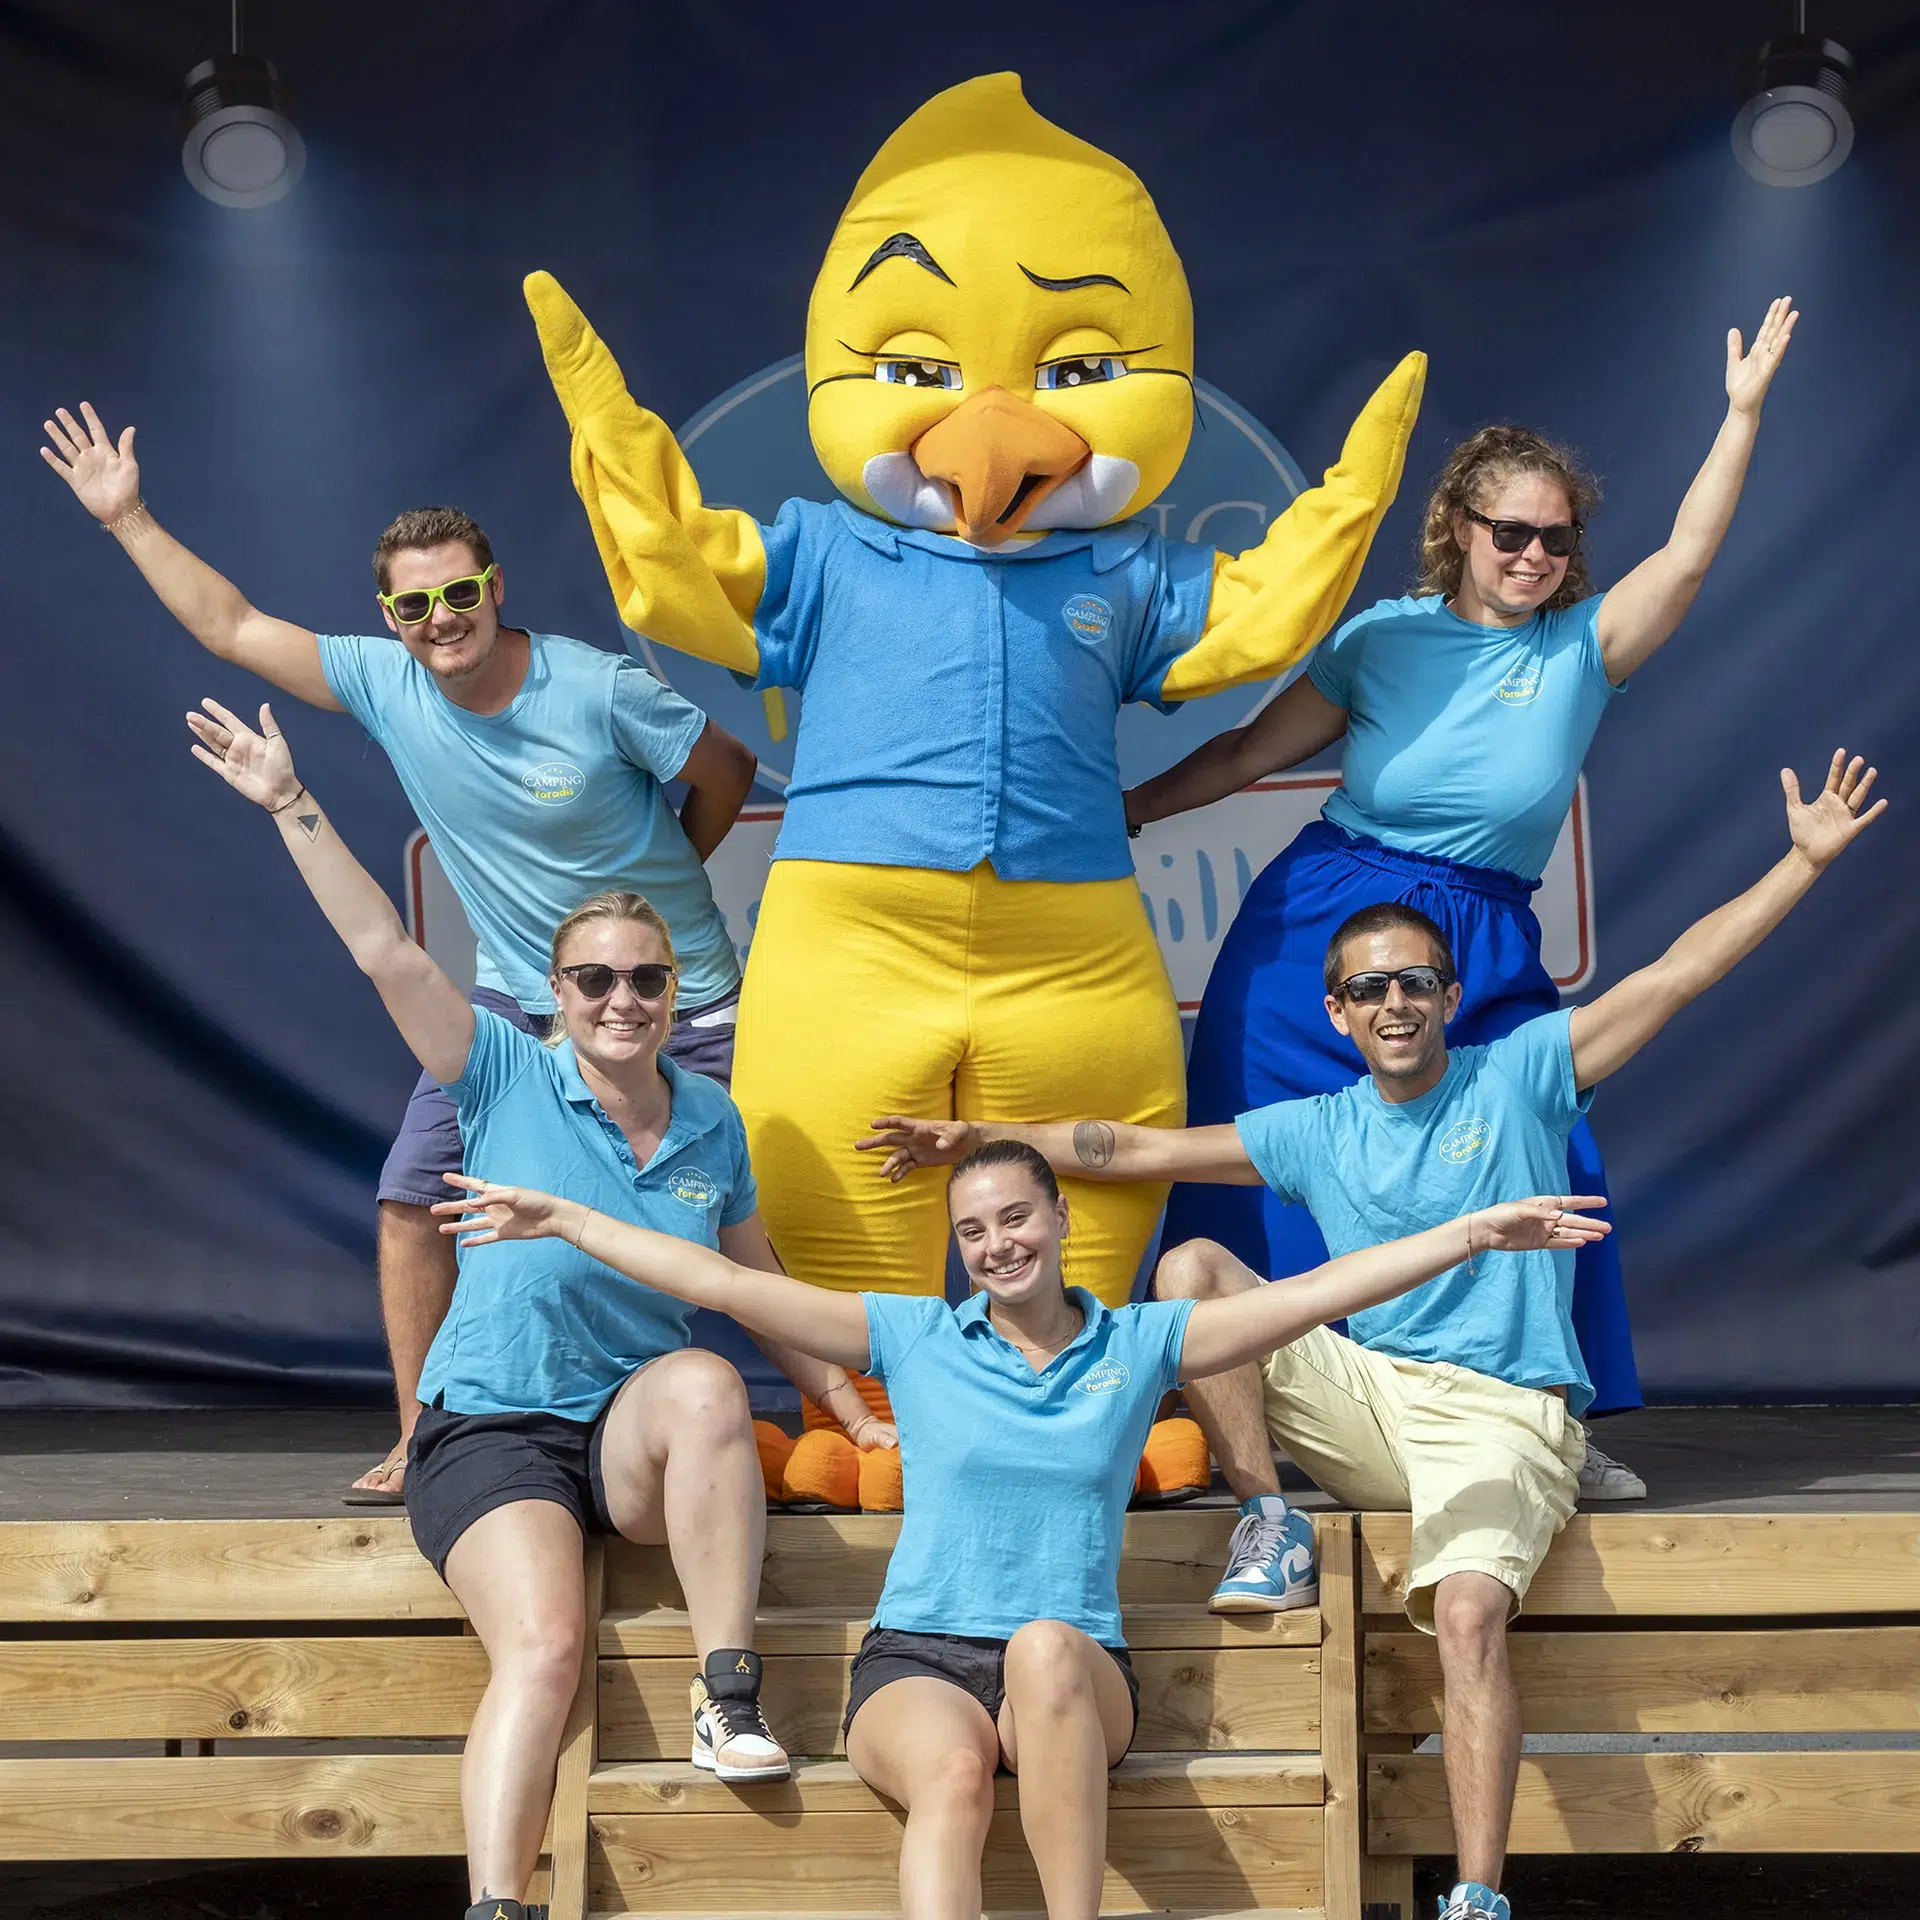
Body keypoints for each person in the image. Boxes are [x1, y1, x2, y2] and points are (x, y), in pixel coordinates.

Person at [864, 750, 1883, 1920]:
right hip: (1370, 1403)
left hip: (1501, 1414)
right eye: (1368, 989)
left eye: (1414, 982)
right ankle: (1268, 1520)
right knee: (1192, 1270)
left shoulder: (1521, 1075)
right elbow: (1126, 1150)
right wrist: (976, 1141)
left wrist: (1802, 863)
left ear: (1449, 996)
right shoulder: (1320, 1125)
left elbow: (1674, 976)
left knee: (1466, 1613)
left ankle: (1478, 1897)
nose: (1394, 1003)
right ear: (1339, 1015)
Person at [433, 1139, 1601, 1920]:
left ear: (1058, 1216)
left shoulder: (1139, 1342)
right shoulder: (916, 1338)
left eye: (1015, 1217)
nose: (997, 1244)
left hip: (1074, 1674)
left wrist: (1471, 1234)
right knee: (951, 1775)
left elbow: (1316, 1295)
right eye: (974, 1230)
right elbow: (726, 1286)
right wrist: (568, 1219)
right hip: (916, 1662)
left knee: (1043, 1644)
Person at [182, 698, 894, 1920]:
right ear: (556, 995)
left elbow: (757, 1282)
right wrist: (292, 803)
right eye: (595, 979)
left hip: (623, 1440)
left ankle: (727, 1697)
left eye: (647, 979)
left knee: (708, 1380)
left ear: (676, 992)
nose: (623, 999)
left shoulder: (711, 1120)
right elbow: (385, 951)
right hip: (495, 1433)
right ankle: (500, 1905)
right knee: (549, 1649)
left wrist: (846, 1401)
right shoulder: (502, 1069)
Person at [1126, 299, 1800, 1500]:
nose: (1534, 556)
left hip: (1481, 933)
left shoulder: (1583, 646)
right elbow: (1241, 757)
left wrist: (1741, 411)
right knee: (1257, 1151)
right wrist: (1122, 813)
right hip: (1321, 922)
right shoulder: (1380, 641)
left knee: (1548, 1150)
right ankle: (1245, 1426)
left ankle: (1550, 1416)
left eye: (1557, 538)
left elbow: (1690, 555)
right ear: (1458, 527)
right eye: (1511, 533)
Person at [40, 402, 765, 1504]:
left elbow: (728, 770)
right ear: (392, 615)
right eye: (415, 604)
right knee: (412, 1200)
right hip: (518, 1008)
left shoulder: (595, 687)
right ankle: (427, 1437)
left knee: (736, 1216)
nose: (441, 619)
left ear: (496, 588)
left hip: (678, 1003)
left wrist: (653, 900)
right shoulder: (387, 681)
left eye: (460, 593)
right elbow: (232, 626)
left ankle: (842, 1419)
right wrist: (125, 516)